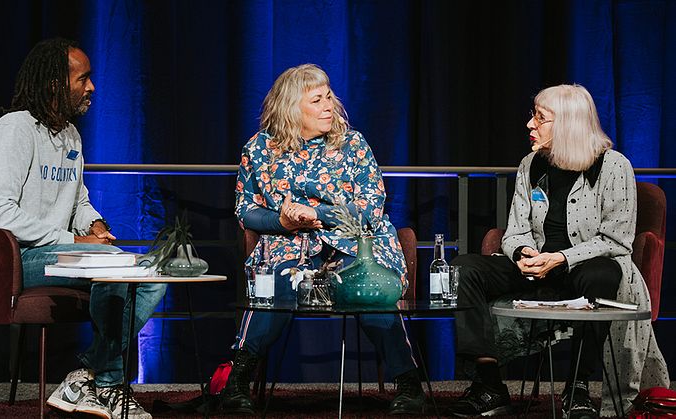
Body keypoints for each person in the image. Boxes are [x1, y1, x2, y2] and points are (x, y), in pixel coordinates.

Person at [0, 38, 167, 419]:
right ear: (54, 83)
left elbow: (78, 202)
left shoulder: (70, 134)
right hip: (2, 257)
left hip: (47, 251)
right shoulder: (14, 129)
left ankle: (89, 377)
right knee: (117, 267)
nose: (92, 88)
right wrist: (74, 239)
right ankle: (103, 383)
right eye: (83, 78)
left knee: (150, 273)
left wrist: (94, 223)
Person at [448, 84, 669, 418]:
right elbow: (515, 229)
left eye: (540, 118)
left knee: (603, 274)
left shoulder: (613, 166)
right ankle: (490, 385)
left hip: (584, 267)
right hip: (536, 266)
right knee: (464, 268)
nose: (529, 125)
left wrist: (561, 258)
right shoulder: (531, 164)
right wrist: (523, 253)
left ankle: (577, 388)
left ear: (568, 122)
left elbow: (617, 240)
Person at [221, 64, 427, 415]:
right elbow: (245, 210)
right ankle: (236, 382)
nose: (329, 105)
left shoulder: (353, 144)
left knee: (371, 290)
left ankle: (409, 385)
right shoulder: (258, 150)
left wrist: (319, 215)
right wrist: (282, 221)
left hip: (355, 242)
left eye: (328, 96)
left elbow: (371, 207)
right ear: (291, 108)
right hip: (292, 243)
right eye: (316, 100)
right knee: (278, 287)